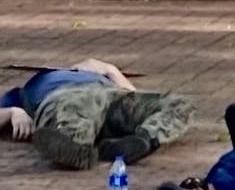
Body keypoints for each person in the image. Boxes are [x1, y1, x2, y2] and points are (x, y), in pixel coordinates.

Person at [0, 59, 194, 169]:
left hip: (111, 95)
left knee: (179, 104)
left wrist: (111, 70)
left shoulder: (99, 73)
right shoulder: (26, 89)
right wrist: (12, 112)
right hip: (65, 97)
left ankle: (144, 139)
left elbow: (132, 95)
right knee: (75, 110)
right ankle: (76, 146)